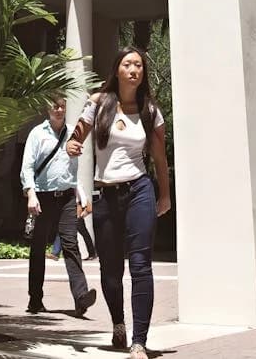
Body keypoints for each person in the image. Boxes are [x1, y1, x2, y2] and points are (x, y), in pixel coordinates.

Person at [68, 47, 170, 358]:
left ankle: (139, 340)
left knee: (141, 266)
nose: (133, 69)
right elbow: (78, 133)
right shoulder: (99, 102)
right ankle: (118, 324)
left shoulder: (150, 110)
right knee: (111, 272)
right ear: (117, 70)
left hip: (139, 190)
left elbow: (159, 158)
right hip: (106, 195)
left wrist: (164, 194)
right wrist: (73, 143)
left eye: (138, 65)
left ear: (143, 74)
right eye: (127, 64)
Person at [20, 98, 97, 318]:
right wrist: (31, 195)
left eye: (63, 105)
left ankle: (81, 297)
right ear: (48, 108)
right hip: (42, 197)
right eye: (55, 106)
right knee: (37, 249)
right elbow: (27, 167)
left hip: (65, 198)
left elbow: (72, 173)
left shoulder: (73, 133)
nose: (60, 109)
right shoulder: (37, 133)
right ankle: (35, 299)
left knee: (71, 245)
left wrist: (82, 196)